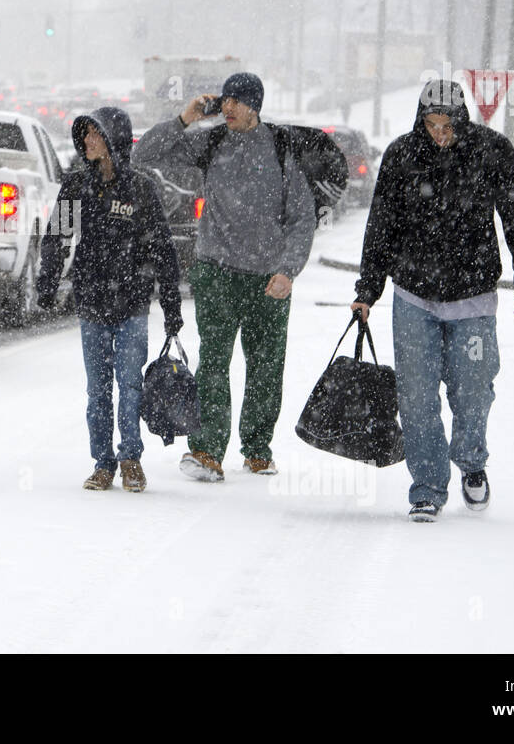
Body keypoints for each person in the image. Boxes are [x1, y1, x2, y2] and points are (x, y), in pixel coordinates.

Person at [351, 78, 514, 523]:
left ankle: (472, 462)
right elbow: (381, 225)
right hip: (413, 296)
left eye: (447, 125)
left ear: (462, 120)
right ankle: (427, 487)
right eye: (432, 124)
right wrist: (367, 290)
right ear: (421, 121)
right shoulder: (401, 155)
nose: (440, 133)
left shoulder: (492, 150)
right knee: (416, 399)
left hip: (473, 297)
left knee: (472, 390)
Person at [132, 72, 315, 481]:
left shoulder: (281, 148)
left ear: (255, 106)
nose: (227, 108)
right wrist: (184, 119)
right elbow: (143, 154)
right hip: (215, 272)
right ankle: (207, 451)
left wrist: (288, 270)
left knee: (266, 367)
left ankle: (257, 449)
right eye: (225, 100)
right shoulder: (211, 142)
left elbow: (302, 219)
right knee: (214, 362)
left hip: (268, 279)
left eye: (236, 101)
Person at [37, 106, 183, 493]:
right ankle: (102, 463)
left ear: (114, 139)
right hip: (92, 303)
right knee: (97, 389)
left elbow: (163, 252)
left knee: (130, 385)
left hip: (132, 304)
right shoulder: (76, 188)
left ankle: (130, 458)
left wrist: (171, 307)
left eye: (95, 134)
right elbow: (56, 238)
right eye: (84, 134)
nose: (87, 141)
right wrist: (47, 283)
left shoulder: (141, 190)